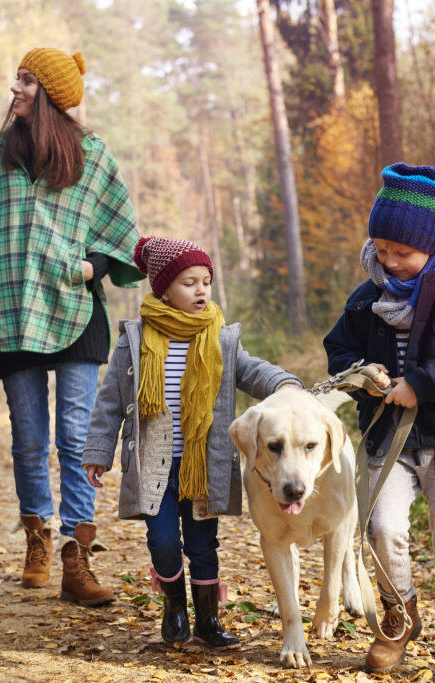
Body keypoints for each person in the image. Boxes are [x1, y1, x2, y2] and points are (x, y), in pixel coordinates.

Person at [0, 47, 143, 604]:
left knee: (74, 436)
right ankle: (37, 536)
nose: (14, 88)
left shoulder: (91, 155)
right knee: (28, 440)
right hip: (12, 308)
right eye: (17, 79)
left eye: (25, 81)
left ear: (48, 93)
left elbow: (121, 229)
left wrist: (90, 265)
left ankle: (76, 552)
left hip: (75, 309)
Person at [323, 163, 435, 682]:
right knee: (382, 528)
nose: (391, 262)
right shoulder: (365, 298)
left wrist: (419, 385)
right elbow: (339, 350)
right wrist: (362, 374)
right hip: (388, 437)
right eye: (381, 249)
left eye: (403, 252)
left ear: (431, 244)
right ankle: (397, 617)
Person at [82, 237, 303, 647]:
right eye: (189, 282)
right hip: (154, 462)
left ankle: (207, 620)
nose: (201, 290)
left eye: (206, 281)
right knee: (164, 541)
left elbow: (251, 371)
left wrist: (285, 383)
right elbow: (110, 399)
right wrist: (98, 451)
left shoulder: (219, 337)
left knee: (203, 544)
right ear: (163, 289)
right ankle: (175, 608)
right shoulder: (135, 338)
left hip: (204, 463)